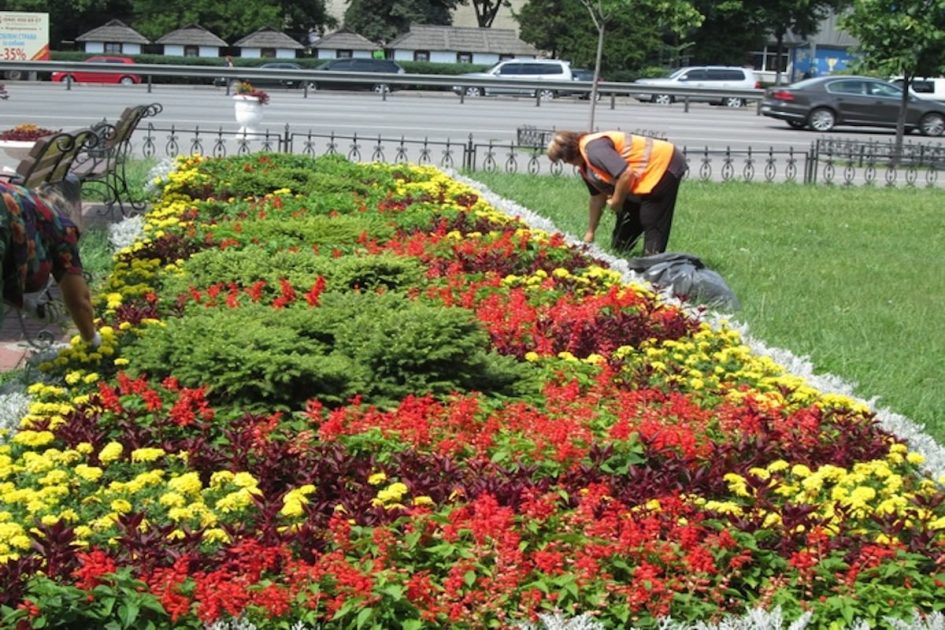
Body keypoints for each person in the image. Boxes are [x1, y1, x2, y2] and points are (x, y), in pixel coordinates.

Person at [546, 130, 687, 256]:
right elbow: (597, 199)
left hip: (663, 163)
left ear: (569, 154)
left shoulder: (594, 150)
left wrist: (616, 202)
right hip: (641, 178)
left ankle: (653, 264)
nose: (564, 163)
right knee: (626, 224)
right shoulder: (586, 166)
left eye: (562, 159)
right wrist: (590, 232)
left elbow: (626, 174)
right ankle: (621, 254)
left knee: (651, 218)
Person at [0, 180, 100, 347]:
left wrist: (26, 304)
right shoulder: (63, 227)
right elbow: (78, 300)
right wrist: (93, 340)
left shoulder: (26, 199)